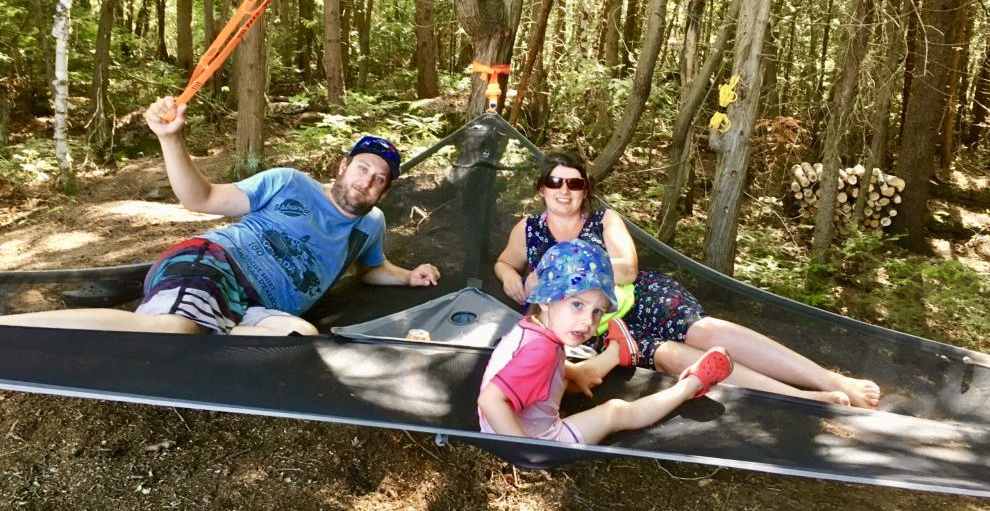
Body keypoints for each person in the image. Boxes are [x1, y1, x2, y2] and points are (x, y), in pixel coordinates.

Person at [0, 96, 440, 336]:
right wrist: (172, 140)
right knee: (172, 332)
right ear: (343, 167)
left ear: (386, 188)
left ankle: (214, 331)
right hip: (215, 263)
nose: (367, 181)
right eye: (363, 168)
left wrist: (407, 276)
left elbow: (372, 270)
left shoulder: (370, 225)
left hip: (255, 308)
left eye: (380, 178)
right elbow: (202, 197)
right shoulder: (289, 183)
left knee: (298, 338)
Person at [494, 150, 882, 409]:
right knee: (671, 356)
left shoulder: (603, 220)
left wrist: (557, 272)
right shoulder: (529, 229)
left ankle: (830, 378)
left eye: (574, 183)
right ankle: (801, 398)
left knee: (705, 332)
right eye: (556, 182)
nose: (565, 191)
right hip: (599, 324)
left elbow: (627, 268)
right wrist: (510, 274)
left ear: (585, 190)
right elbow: (504, 263)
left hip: (640, 296)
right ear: (542, 188)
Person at [478, 239, 733, 443]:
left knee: (577, 375)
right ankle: (691, 385)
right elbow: (490, 400)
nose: (588, 321)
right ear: (546, 299)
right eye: (577, 304)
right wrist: (524, 450)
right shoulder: (541, 349)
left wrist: (570, 372)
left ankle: (615, 353)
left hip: (512, 419)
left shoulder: (533, 328)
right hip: (536, 438)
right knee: (616, 411)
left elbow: (531, 368)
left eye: (597, 311)